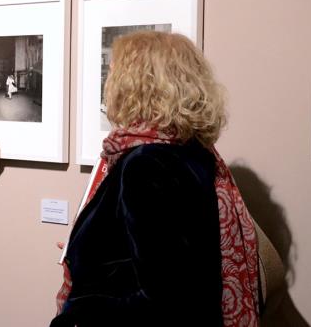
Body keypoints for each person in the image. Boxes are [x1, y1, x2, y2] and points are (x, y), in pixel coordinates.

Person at [51, 32, 259, 327]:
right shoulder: (192, 151)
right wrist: (89, 247)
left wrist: (79, 314)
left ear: (135, 85)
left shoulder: (146, 165)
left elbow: (166, 298)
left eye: (113, 73)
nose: (107, 83)